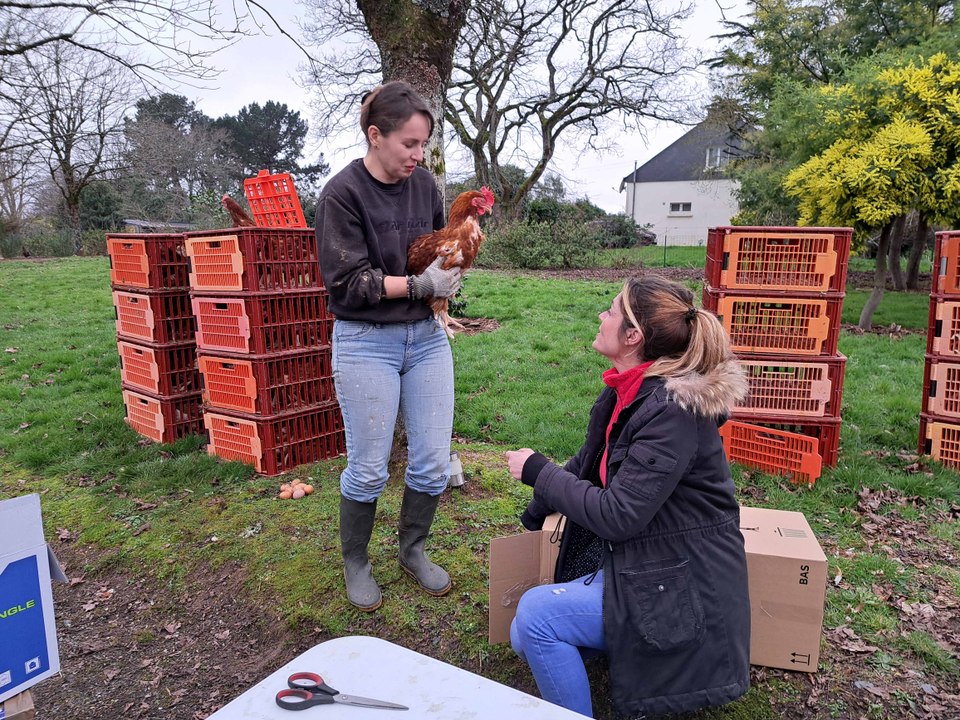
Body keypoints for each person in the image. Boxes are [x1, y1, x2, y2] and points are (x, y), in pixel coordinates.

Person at [506, 275, 752, 718]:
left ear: (633, 336)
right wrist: (536, 506)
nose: (602, 316)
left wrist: (538, 471)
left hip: (681, 586)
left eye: (612, 310)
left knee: (537, 617)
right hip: (647, 560)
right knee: (522, 635)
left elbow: (617, 516)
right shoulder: (628, 391)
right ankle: (615, 652)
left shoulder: (671, 416)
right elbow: (588, 461)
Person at [316, 81, 462, 612]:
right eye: (408, 144)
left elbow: (435, 250)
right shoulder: (342, 195)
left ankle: (412, 550)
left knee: (430, 462)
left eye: (423, 145)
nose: (417, 156)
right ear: (375, 136)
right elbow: (348, 283)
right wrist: (419, 286)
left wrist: (448, 278)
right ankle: (356, 560)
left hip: (425, 338)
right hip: (364, 342)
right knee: (370, 467)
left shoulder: (425, 187)